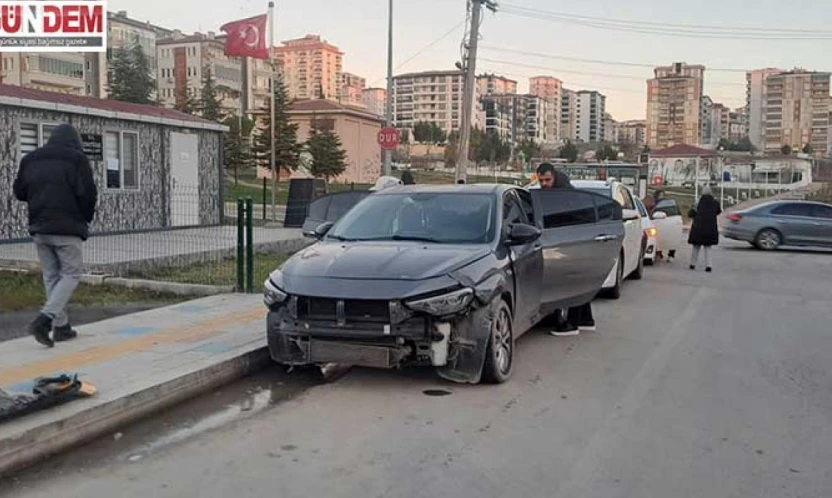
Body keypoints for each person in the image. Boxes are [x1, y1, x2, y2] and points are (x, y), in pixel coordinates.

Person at [13, 124, 97, 348]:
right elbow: (88, 194)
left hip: (39, 227)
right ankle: (44, 319)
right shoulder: (77, 160)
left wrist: (40, 198)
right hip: (68, 228)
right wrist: (85, 218)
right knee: (71, 273)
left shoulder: (30, 159)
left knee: (51, 276)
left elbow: (20, 192)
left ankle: (61, 327)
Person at [529, 163, 594, 337]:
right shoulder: (555, 193)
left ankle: (571, 324)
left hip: (573, 242)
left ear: (554, 177)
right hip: (575, 241)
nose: (544, 184)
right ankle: (586, 320)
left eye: (547, 180)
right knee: (578, 280)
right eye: (541, 181)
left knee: (571, 282)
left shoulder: (564, 195)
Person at [688, 186, 721, 273]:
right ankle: (708, 266)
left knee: (696, 247)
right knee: (708, 247)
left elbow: (690, 214)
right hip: (710, 228)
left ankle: (692, 264)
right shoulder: (715, 202)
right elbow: (718, 212)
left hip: (698, 227)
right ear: (711, 192)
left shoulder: (697, 202)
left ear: (702, 192)